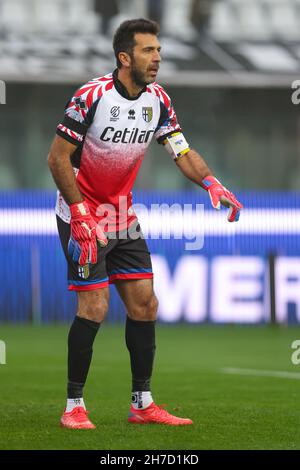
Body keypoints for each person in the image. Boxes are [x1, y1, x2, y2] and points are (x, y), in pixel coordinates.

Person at [47, 18, 242, 430]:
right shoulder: (91, 97)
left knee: (145, 304)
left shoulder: (158, 101)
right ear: (124, 57)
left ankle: (142, 403)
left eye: (158, 50)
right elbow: (57, 159)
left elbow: (181, 150)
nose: (157, 58)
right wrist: (80, 215)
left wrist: (211, 181)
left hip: (122, 215)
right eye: (148, 51)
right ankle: (73, 406)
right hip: (82, 214)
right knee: (95, 306)